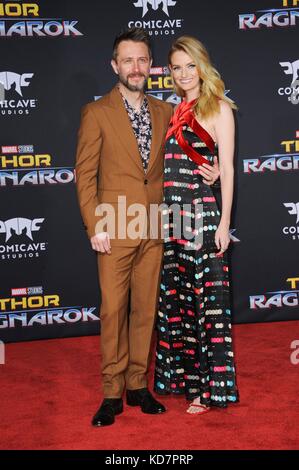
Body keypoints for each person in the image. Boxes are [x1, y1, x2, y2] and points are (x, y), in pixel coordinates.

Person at [75, 28, 220, 427]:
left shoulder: (165, 111)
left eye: (142, 60)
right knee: (113, 311)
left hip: (156, 228)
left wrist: (216, 169)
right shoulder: (96, 113)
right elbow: (84, 176)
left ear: (150, 66)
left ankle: (138, 385)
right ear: (114, 65)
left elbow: (190, 152)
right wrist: (95, 225)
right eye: (127, 60)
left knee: (145, 313)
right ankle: (111, 392)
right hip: (114, 229)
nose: (135, 67)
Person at [154, 36, 239, 414]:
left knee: (208, 306)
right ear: (171, 72)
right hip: (173, 222)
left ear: (202, 66)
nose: (184, 73)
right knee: (180, 303)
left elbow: (229, 168)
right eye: (177, 67)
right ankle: (189, 383)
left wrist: (224, 223)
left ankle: (210, 390)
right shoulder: (174, 111)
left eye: (190, 65)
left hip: (203, 217)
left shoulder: (219, 108)